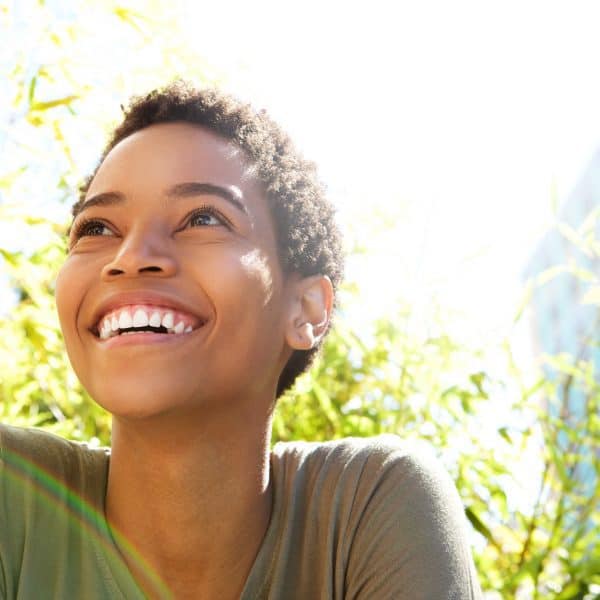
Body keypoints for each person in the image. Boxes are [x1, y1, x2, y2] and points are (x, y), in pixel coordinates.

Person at [0, 82, 483, 599]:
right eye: (96, 227)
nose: (131, 255)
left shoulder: (369, 509)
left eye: (203, 218)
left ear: (306, 310)